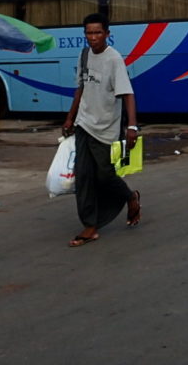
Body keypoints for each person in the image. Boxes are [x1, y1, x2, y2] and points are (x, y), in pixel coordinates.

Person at [61, 13, 141, 247]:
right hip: (84, 124)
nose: (93, 37)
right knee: (83, 176)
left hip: (106, 127)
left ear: (107, 34)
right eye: (88, 33)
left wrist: (132, 127)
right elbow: (80, 88)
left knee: (105, 175)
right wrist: (70, 118)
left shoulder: (114, 59)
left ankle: (130, 197)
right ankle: (90, 225)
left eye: (97, 33)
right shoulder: (84, 54)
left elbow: (127, 94)